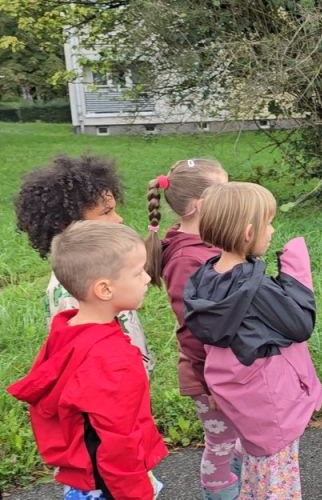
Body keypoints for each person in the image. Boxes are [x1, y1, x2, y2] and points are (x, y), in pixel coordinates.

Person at [7, 221, 167, 499]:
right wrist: (136, 493)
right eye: (138, 272)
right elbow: (119, 439)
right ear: (105, 289)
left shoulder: (66, 329)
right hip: (112, 483)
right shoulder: (112, 359)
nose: (146, 278)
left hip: (83, 475)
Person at [183, 182, 322, 499]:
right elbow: (301, 325)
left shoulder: (204, 277)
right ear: (248, 233)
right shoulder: (254, 287)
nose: (272, 230)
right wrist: (295, 269)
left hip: (244, 401)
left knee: (257, 474)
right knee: (278, 483)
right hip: (274, 404)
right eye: (268, 223)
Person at [144, 159, 240, 500]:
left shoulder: (208, 244)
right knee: (221, 448)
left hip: (229, 369)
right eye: (225, 191)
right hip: (210, 375)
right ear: (199, 206)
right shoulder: (188, 259)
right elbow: (195, 328)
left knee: (238, 441)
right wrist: (213, 378)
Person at [14, 154, 155, 373]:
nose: (119, 219)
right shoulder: (73, 293)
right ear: (68, 223)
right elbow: (84, 365)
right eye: (106, 212)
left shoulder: (102, 267)